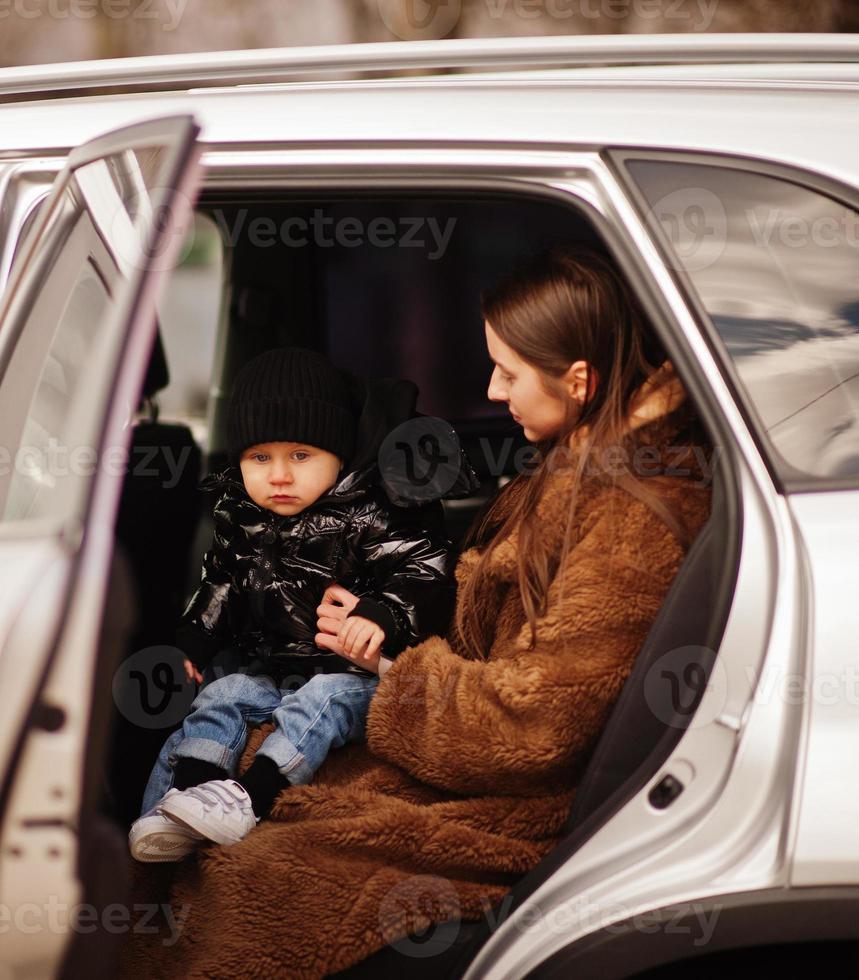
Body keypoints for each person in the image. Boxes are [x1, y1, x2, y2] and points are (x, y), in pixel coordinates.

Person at [119, 244, 717, 977]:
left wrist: (390, 669)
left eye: (507, 372)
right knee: (231, 762)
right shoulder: (569, 473)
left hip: (511, 799)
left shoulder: (627, 516)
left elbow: (538, 724)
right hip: (455, 747)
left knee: (255, 874)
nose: (491, 392)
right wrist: (377, 613)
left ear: (579, 381)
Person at [128, 346, 478, 862]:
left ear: (337, 455)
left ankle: (253, 795)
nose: (279, 476)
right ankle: (186, 800)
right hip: (274, 669)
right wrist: (193, 645)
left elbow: (425, 570)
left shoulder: (373, 508)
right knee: (222, 694)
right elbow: (222, 584)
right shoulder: (241, 514)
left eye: (301, 455)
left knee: (323, 700)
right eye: (259, 458)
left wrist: (380, 614)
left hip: (358, 676)